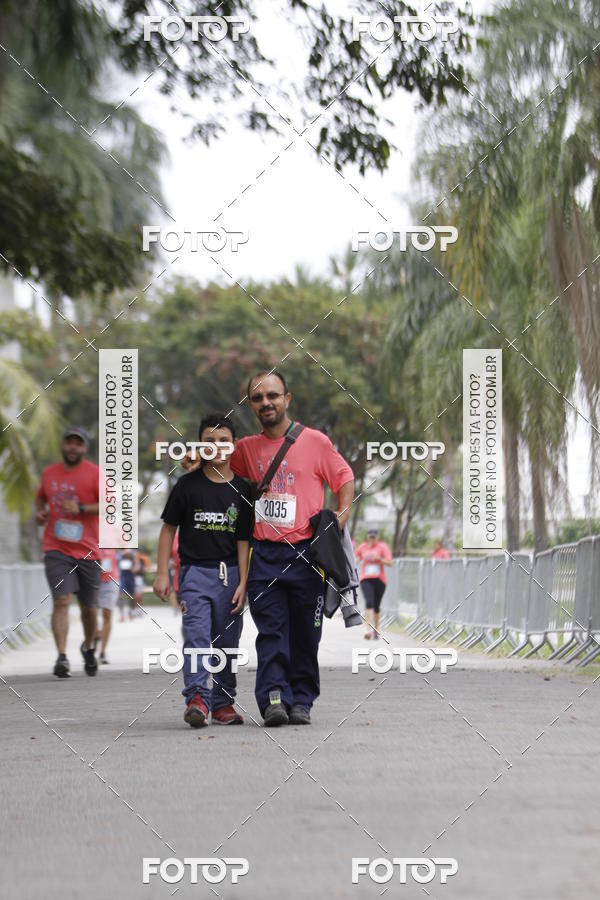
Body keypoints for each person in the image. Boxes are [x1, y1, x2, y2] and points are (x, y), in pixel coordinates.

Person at [230, 371, 354, 727]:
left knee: (306, 633)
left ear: (288, 398)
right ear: (251, 405)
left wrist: (337, 524)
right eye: (257, 398)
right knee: (271, 632)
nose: (265, 403)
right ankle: (273, 700)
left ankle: (302, 700)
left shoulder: (315, 441)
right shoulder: (245, 450)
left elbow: (344, 479)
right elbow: (225, 480)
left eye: (272, 395)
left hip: (306, 556)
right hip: (264, 556)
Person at [153, 413, 251, 728]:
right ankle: (197, 698)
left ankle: (223, 702)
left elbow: (244, 540)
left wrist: (244, 582)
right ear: (200, 446)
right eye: (209, 442)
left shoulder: (243, 490)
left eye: (224, 441)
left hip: (231, 575)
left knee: (227, 644)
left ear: (234, 446)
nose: (217, 447)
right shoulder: (186, 486)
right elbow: (168, 530)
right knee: (196, 638)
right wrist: (161, 573)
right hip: (194, 574)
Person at [35, 426, 101, 677]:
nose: (73, 447)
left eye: (78, 443)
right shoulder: (49, 474)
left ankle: (89, 646)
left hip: (88, 550)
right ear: (63, 445)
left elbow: (110, 505)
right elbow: (40, 498)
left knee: (89, 608)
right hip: (56, 547)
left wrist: (81, 507)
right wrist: (40, 512)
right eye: (69, 442)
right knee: (61, 601)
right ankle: (62, 657)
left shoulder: (95, 474)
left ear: (84, 448)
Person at [355, 528, 393, 640]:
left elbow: (390, 563)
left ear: (377, 537)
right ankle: (367, 630)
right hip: (366, 579)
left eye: (374, 537)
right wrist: (356, 560)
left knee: (376, 606)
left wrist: (379, 559)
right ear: (368, 537)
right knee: (369, 602)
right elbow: (355, 557)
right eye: (370, 537)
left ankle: (375, 630)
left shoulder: (382, 547)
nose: (372, 539)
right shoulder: (363, 547)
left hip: (379, 579)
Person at [96, 547, 119, 663]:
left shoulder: (112, 533)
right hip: (91, 580)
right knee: (90, 615)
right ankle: (93, 638)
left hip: (110, 580)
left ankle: (102, 652)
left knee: (107, 615)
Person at [118, 549, 136, 619]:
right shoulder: (119, 554)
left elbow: (136, 565)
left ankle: (130, 613)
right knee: (121, 596)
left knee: (131, 596)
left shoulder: (133, 554)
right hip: (122, 577)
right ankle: (122, 615)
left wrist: (133, 568)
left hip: (130, 576)